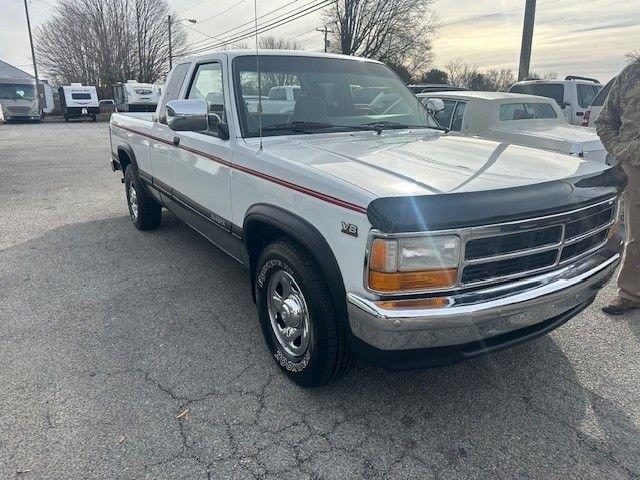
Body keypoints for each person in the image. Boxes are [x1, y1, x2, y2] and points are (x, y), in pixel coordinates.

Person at [596, 57, 640, 315]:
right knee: (637, 235)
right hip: (636, 166)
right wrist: (621, 151)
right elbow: (604, 122)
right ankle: (630, 293)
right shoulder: (631, 74)